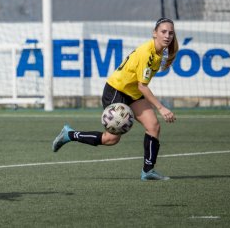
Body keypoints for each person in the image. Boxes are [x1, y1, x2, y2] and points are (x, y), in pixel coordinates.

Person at [52, 17, 178, 181]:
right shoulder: (147, 53)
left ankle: (148, 171)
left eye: (170, 33)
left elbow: (138, 86)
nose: (167, 35)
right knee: (111, 139)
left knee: (153, 126)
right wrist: (161, 108)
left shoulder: (159, 53)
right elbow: (143, 86)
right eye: (163, 32)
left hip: (131, 92)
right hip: (116, 90)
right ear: (154, 33)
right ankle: (70, 135)